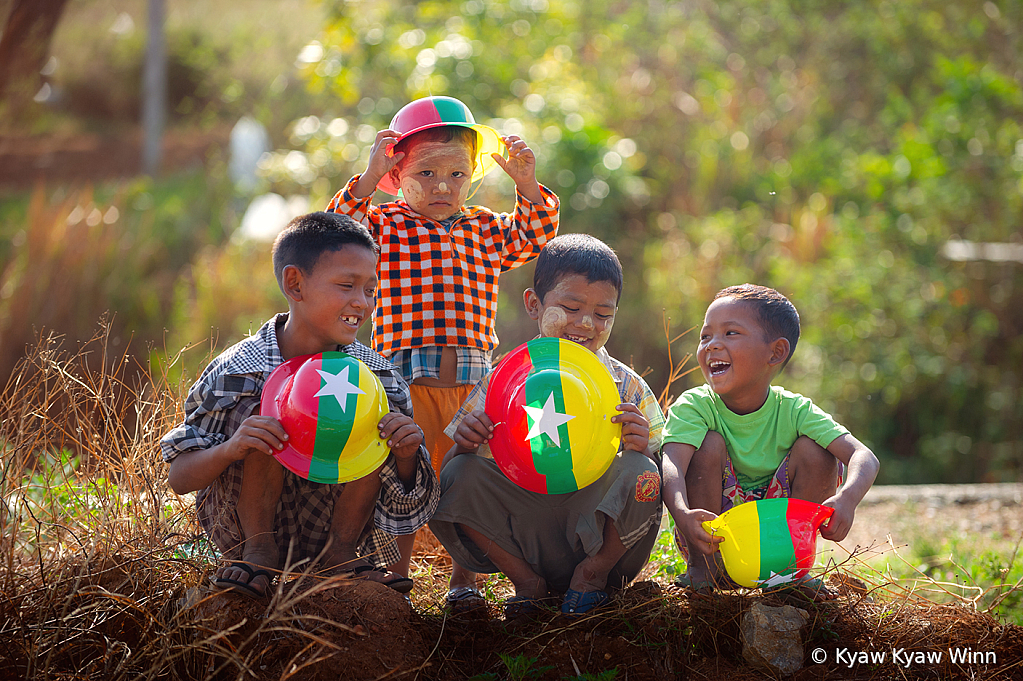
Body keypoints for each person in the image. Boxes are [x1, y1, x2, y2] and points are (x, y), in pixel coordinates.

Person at [325, 95, 559, 607]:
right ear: (397, 175)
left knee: (466, 480)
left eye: (456, 174)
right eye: (426, 174)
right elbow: (338, 229)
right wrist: (366, 179)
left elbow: (534, 236)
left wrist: (525, 185)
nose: (442, 187)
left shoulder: (485, 228)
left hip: (474, 385)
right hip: (404, 384)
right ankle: (395, 578)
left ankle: (464, 582)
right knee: (399, 478)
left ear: (472, 175)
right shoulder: (385, 226)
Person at [160, 212, 440, 598]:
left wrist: (406, 453)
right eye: (346, 285)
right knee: (263, 415)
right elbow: (180, 478)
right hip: (242, 543)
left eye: (370, 290)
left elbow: (406, 498)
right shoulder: (238, 371)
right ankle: (259, 551)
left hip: (341, 536)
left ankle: (339, 555)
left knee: (371, 418)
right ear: (295, 283)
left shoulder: (379, 378)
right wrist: (232, 448)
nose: (362, 303)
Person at [429, 234, 665, 617]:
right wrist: (467, 443)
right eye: (570, 307)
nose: (586, 323)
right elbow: (460, 471)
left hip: (598, 539)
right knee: (458, 471)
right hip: (527, 531)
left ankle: (591, 577)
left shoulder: (626, 385)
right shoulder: (503, 381)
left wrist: (642, 448)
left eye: (603, 314)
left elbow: (653, 476)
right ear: (534, 305)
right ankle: (526, 583)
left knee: (644, 473)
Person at [661, 284, 880, 599]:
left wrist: (847, 500)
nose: (712, 345)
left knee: (818, 451)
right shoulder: (695, 405)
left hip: (774, 539)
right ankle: (703, 571)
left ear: (775, 352)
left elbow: (863, 456)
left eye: (731, 333)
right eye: (706, 336)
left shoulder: (794, 409)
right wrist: (682, 512)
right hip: (708, 536)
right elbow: (671, 466)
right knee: (706, 445)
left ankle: (790, 572)